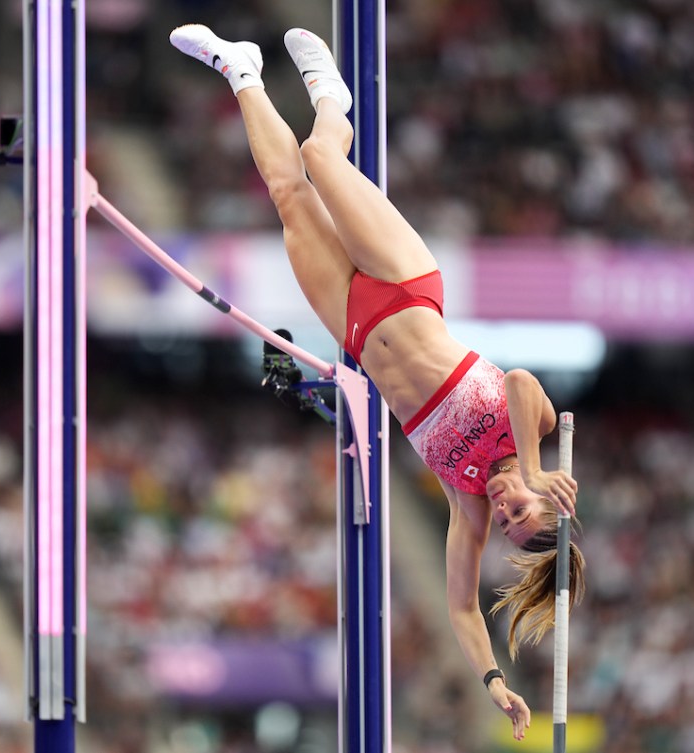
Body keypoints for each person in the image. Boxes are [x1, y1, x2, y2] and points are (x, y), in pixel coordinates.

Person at [169, 24, 584, 741]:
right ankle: (332, 96)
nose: (508, 509)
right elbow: (517, 379)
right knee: (319, 156)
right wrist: (536, 464)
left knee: (287, 195)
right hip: (405, 284)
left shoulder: (464, 503)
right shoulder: (534, 430)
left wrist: (493, 681)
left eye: (510, 525)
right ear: (549, 497)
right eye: (524, 509)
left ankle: (239, 72)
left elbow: (459, 607)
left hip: (356, 328)